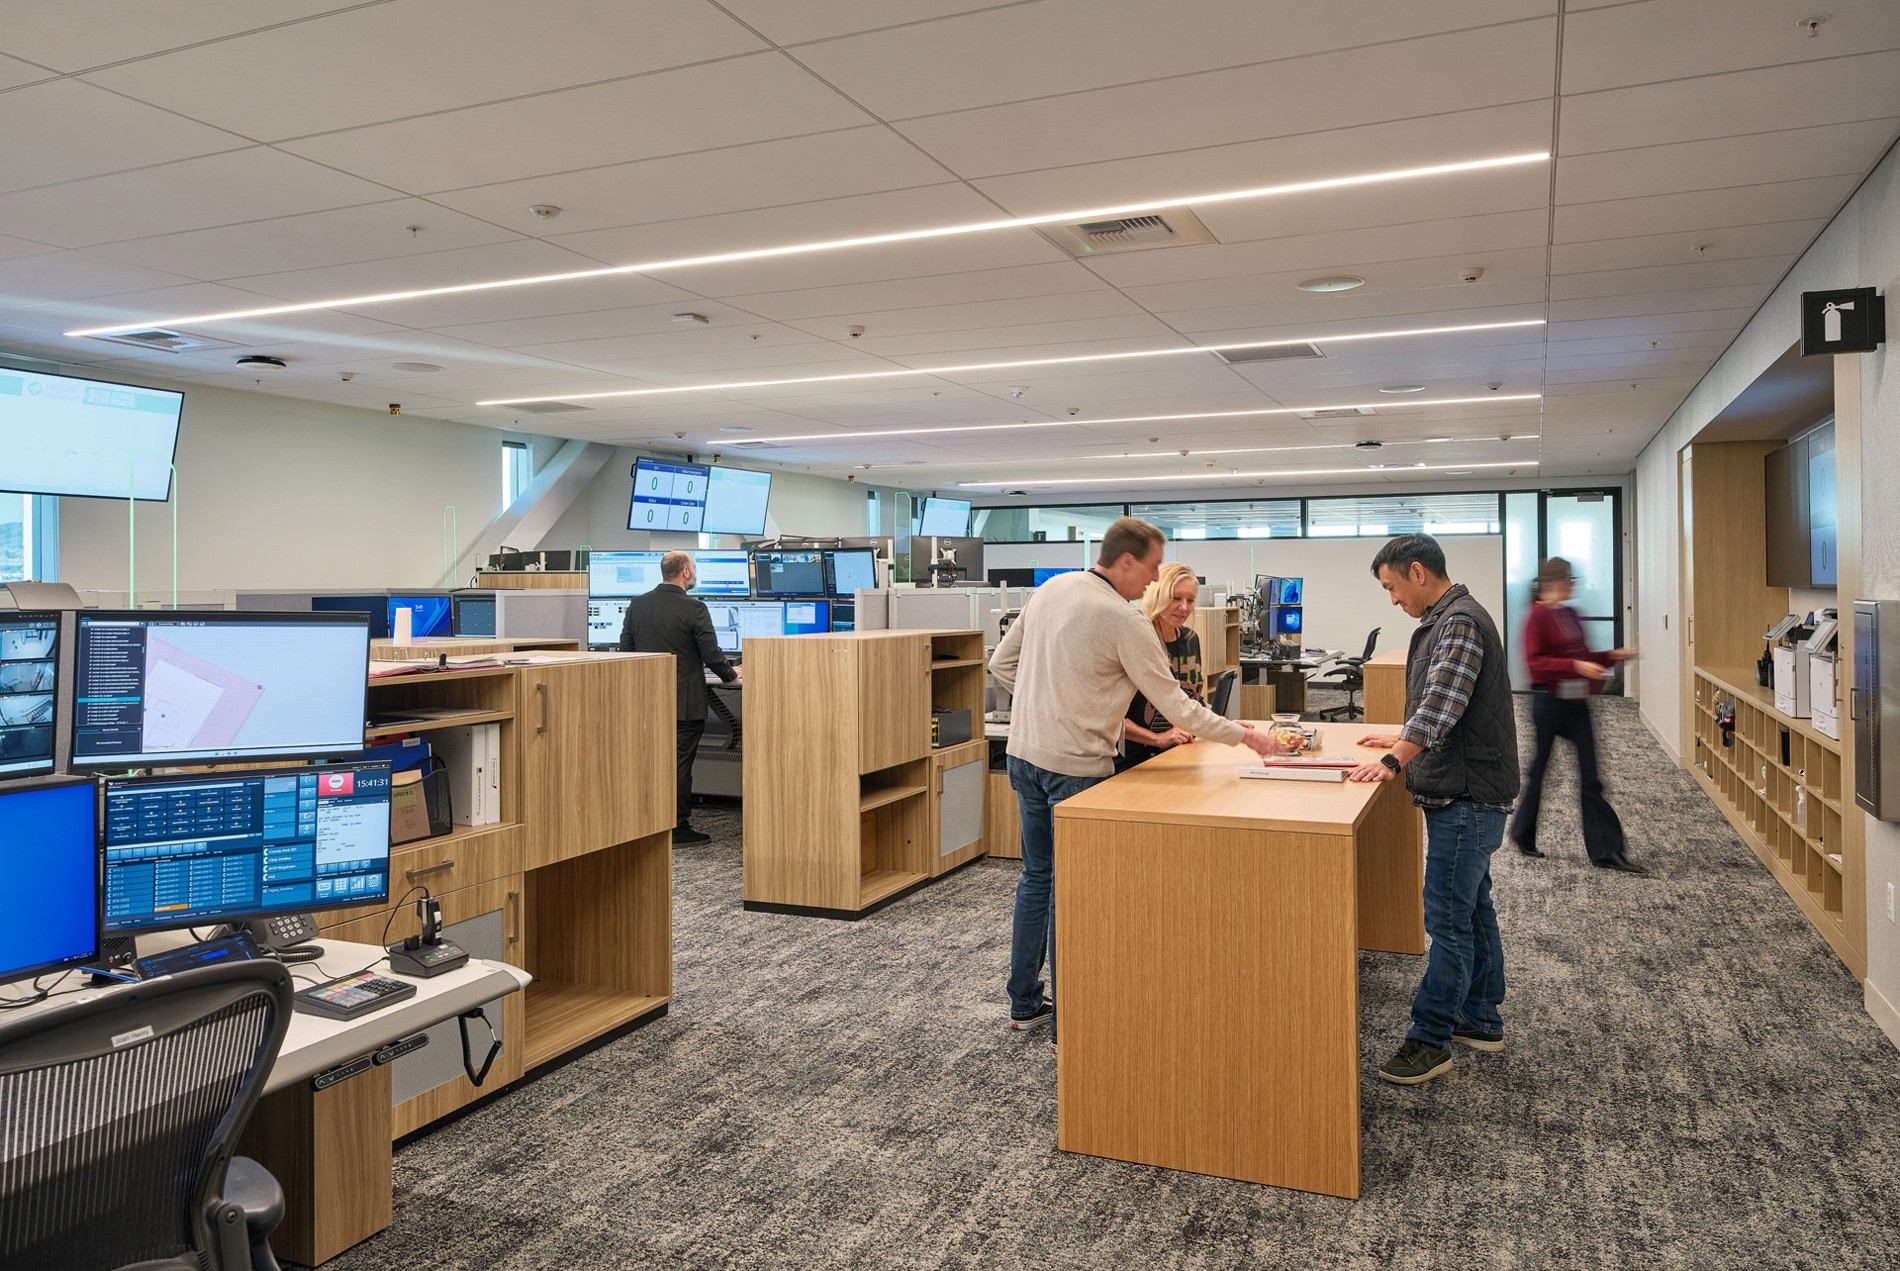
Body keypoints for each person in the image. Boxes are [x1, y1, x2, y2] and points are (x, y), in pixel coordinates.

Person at [989, 518, 1283, 1037]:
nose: (1152, 580)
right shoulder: (1124, 619)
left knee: (1038, 878)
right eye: (1151, 568)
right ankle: (1069, 1030)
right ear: (1126, 561)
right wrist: (1247, 737)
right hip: (1075, 768)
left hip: (1024, 754)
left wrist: (1050, 703)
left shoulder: (1053, 588)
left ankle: (1024, 1003)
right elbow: (1179, 707)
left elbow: (1001, 664)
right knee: (1074, 893)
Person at [1348, 533, 1520, 1086]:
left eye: (1392, 587)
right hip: (1468, 785)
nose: (1393, 599)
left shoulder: (1459, 622)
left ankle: (1430, 1037)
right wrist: (1401, 736)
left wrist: (1394, 760)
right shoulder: (1448, 618)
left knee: (1446, 915)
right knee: (1471, 907)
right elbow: (1442, 703)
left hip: (1467, 793)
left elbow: (1442, 707)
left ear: (1417, 572)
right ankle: (1481, 1018)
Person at [1511, 557, 1643, 873]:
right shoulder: (1537, 616)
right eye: (1570, 579)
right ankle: (1522, 834)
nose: (1573, 585)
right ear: (1554, 582)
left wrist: (1612, 655)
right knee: (1540, 773)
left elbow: (1583, 656)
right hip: (1549, 703)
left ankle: (1606, 850)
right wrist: (1575, 666)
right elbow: (1536, 663)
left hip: (1576, 705)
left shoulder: (1570, 613)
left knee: (1591, 776)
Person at [619, 550, 739, 846]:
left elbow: (626, 653)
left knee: (653, 762)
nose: (694, 573)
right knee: (679, 766)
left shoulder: (637, 605)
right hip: (684, 704)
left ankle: (651, 823)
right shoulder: (694, 608)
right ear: (685, 572)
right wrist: (731, 674)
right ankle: (678, 828)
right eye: (694, 568)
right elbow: (711, 654)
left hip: (648, 703)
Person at [1118, 561, 1206, 771]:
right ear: (1157, 595)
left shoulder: (1189, 639)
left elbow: (1193, 698)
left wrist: (1222, 726)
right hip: (1134, 761)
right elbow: (1111, 716)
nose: (1184, 607)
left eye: (1190, 600)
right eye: (1175, 598)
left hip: (1179, 754)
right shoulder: (1136, 638)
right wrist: (1157, 738)